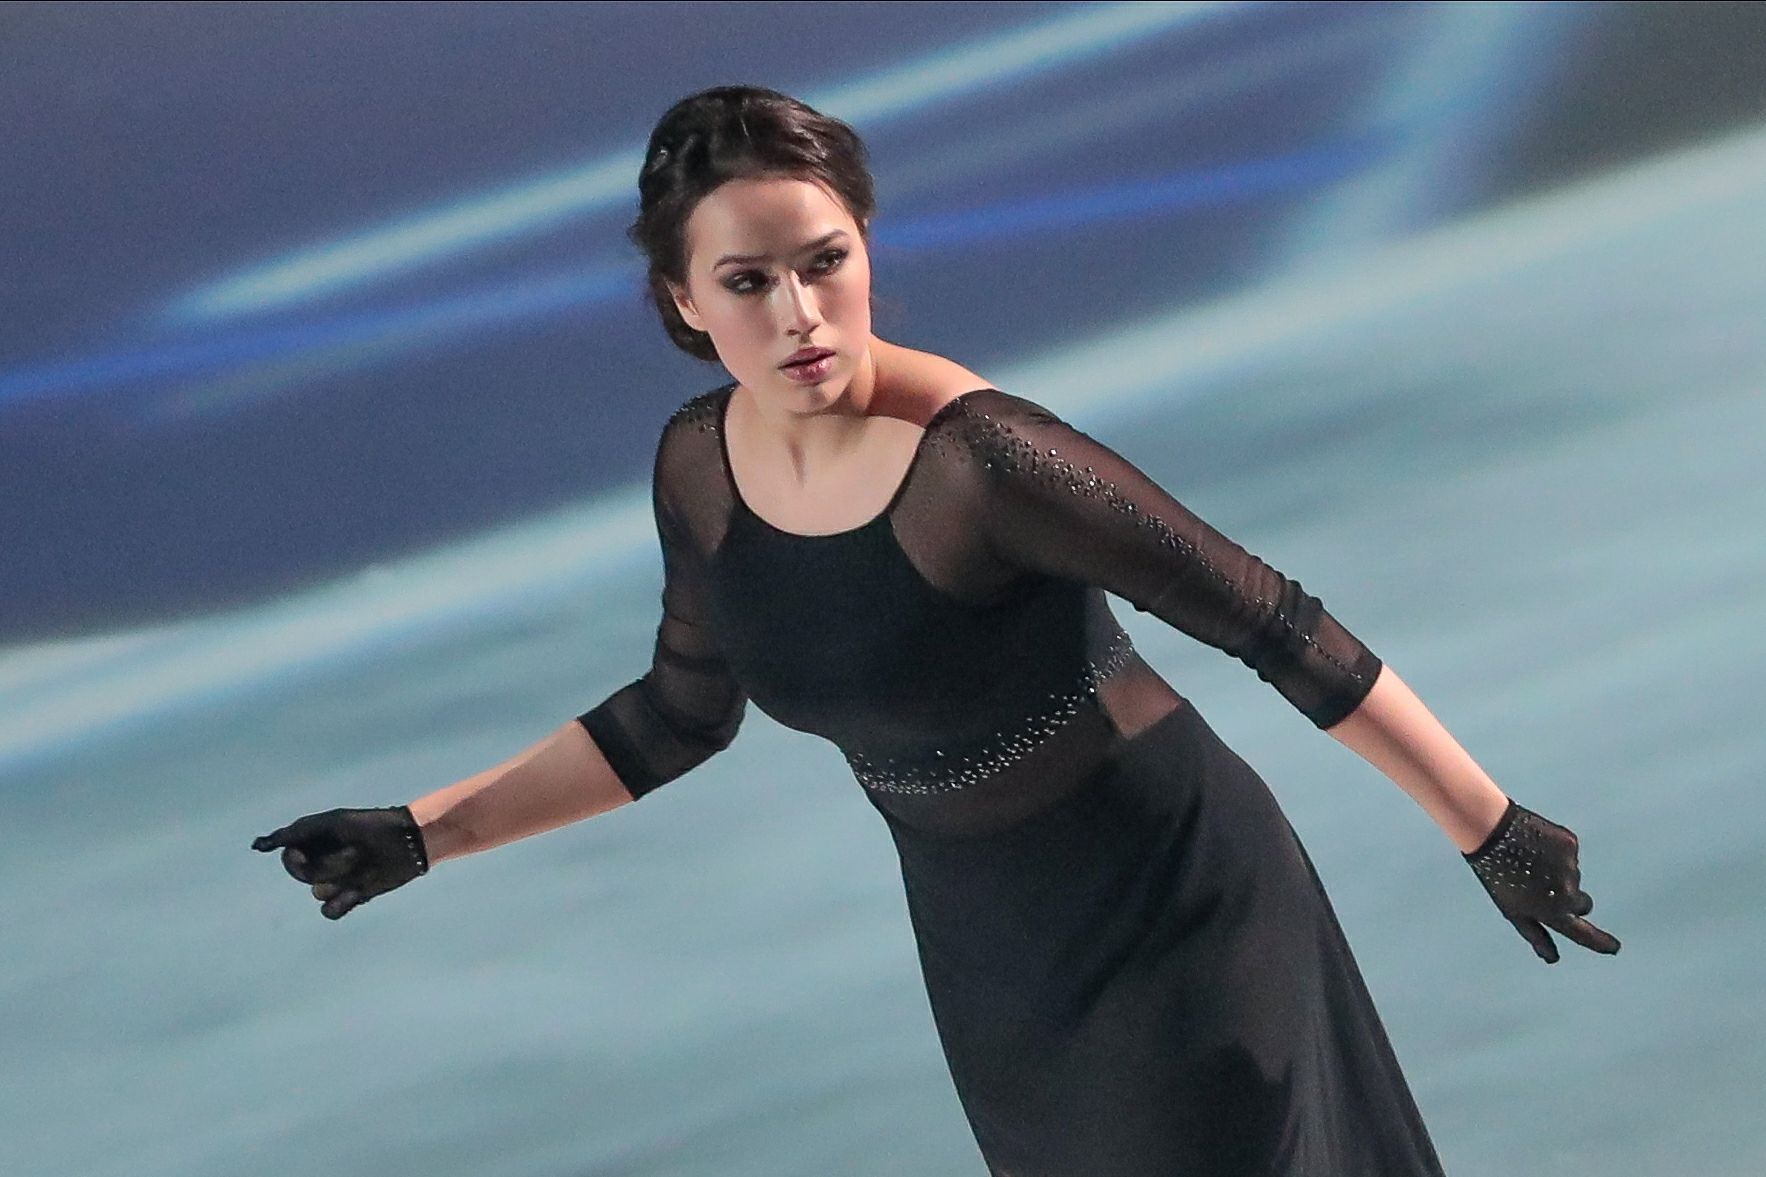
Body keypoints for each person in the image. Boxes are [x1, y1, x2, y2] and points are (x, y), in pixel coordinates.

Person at [252, 85, 1621, 1176]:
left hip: (1174, 910)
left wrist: (1488, 825)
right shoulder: (700, 467)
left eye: (825, 263)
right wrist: (425, 831)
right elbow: (677, 716)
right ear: (681, 299)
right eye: (747, 282)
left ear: (865, 246)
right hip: (991, 951)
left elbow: (1277, 626)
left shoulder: (985, 460)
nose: (799, 313)